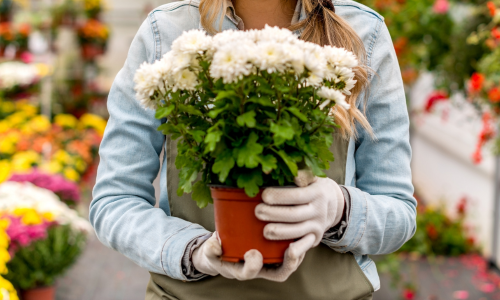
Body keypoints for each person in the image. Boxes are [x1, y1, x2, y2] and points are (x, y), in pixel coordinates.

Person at [90, 0, 417, 299]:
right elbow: (115, 199)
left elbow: (398, 212)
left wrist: (338, 210)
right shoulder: (166, 31)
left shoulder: (364, 33)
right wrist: (193, 251)